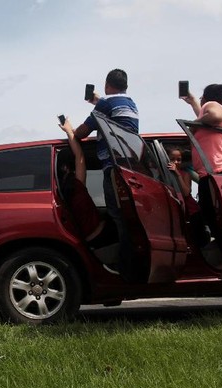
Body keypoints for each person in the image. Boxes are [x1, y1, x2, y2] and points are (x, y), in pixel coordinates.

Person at [71, 68, 139, 278]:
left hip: (113, 167)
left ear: (108, 85)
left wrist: (69, 131)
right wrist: (97, 102)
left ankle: (125, 266)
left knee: (117, 216)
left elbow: (83, 132)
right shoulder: (130, 103)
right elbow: (112, 111)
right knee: (128, 216)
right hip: (129, 167)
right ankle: (133, 261)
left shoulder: (106, 104)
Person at [181, 83, 222, 177]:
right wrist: (193, 102)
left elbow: (215, 116)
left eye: (201, 98)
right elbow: (205, 120)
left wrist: (193, 125)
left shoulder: (211, 104)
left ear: (204, 99)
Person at [57, 117, 106, 247]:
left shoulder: (60, 195)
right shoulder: (76, 186)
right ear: (66, 168)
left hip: (86, 240)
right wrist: (69, 131)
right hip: (100, 235)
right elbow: (80, 156)